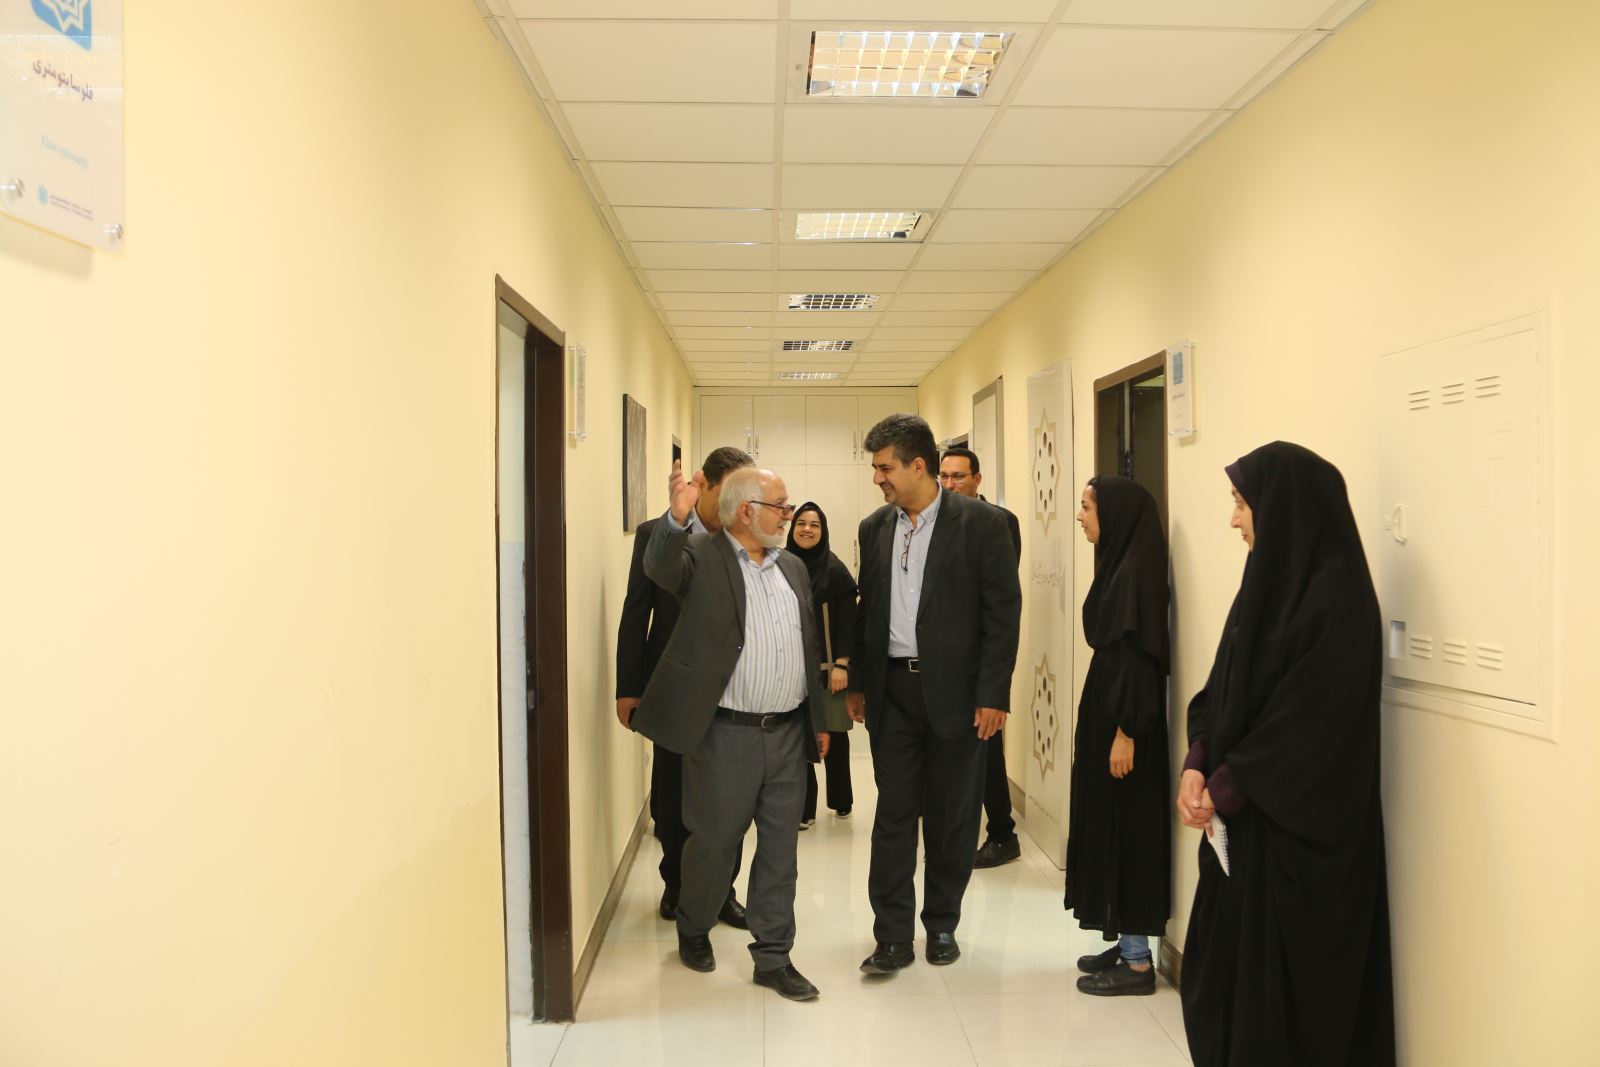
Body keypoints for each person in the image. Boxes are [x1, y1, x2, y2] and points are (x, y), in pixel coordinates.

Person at [1176, 442, 1395, 1065]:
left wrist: (1222, 787)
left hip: (1301, 854)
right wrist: (1196, 762)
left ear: (1284, 509)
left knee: (1285, 1019)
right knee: (1222, 994)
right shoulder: (1264, 585)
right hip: (1241, 835)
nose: (1234, 520)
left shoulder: (1338, 603)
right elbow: (1220, 688)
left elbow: (1308, 728)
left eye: (1242, 504)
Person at [630, 465, 832, 1002]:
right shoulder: (702, 556)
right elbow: (660, 568)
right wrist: (675, 520)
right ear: (747, 511)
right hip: (725, 735)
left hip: (786, 733)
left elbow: (807, 647)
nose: (789, 515)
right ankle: (694, 923)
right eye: (780, 506)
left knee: (780, 852)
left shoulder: (792, 568)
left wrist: (815, 722)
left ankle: (774, 956)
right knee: (715, 844)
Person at [848, 414, 1022, 975]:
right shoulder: (875, 527)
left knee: (952, 816)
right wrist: (858, 682)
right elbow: (867, 611)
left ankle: (942, 923)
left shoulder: (983, 525)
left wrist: (994, 693)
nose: (878, 478)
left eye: (885, 467)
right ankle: (892, 935)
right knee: (894, 815)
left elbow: (1002, 616)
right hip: (894, 691)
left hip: (959, 695)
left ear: (917, 465)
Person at [614, 447, 752, 928]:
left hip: (731, 690)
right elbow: (636, 614)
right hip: (672, 688)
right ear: (702, 483)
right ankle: (675, 884)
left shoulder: (743, 538)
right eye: (729, 491)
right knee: (672, 795)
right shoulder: (656, 535)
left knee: (728, 797)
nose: (737, 503)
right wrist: (628, 687)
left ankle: (723, 890)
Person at [1064, 476, 1171, 997]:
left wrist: (1126, 732)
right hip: (1111, 716)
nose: (1080, 516)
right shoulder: (1120, 567)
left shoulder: (1135, 578)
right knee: (1108, 825)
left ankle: (1137, 962)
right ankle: (1126, 940)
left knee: (1128, 831)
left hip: (1127, 726)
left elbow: (1141, 664)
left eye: (1087, 507)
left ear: (1118, 515)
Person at [938, 447, 1024, 869]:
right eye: (944, 476)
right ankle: (958, 827)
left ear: (977, 479)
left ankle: (1002, 832)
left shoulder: (1000, 522)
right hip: (943, 658)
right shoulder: (935, 519)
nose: (950, 484)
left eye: (959, 476)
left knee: (986, 748)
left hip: (981, 658)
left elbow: (998, 599)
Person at [785, 503, 858, 828]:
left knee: (835, 735)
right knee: (799, 736)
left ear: (823, 530)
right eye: (801, 523)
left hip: (829, 669)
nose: (807, 530)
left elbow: (848, 621)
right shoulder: (781, 565)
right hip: (792, 668)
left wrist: (842, 664)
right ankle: (804, 808)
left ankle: (841, 799)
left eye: (814, 525)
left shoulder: (834, 570)